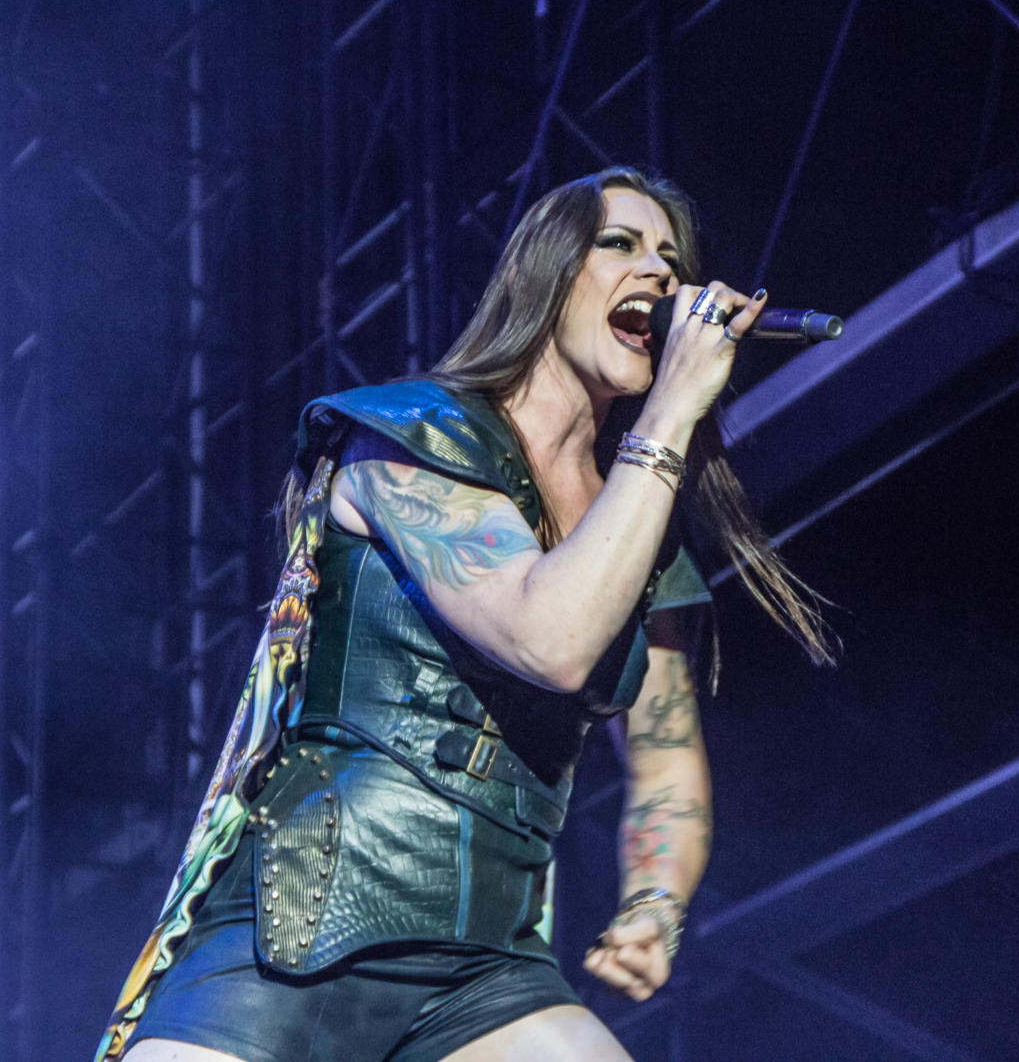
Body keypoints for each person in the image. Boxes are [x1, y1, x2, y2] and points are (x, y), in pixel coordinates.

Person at [98, 167, 831, 1062]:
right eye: (621, 244)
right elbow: (549, 638)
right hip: (299, 926)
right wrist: (673, 409)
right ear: (544, 274)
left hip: (488, 963)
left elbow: (667, 763)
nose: (660, 273)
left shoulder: (637, 531)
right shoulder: (411, 435)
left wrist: (654, 904)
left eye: (673, 260)